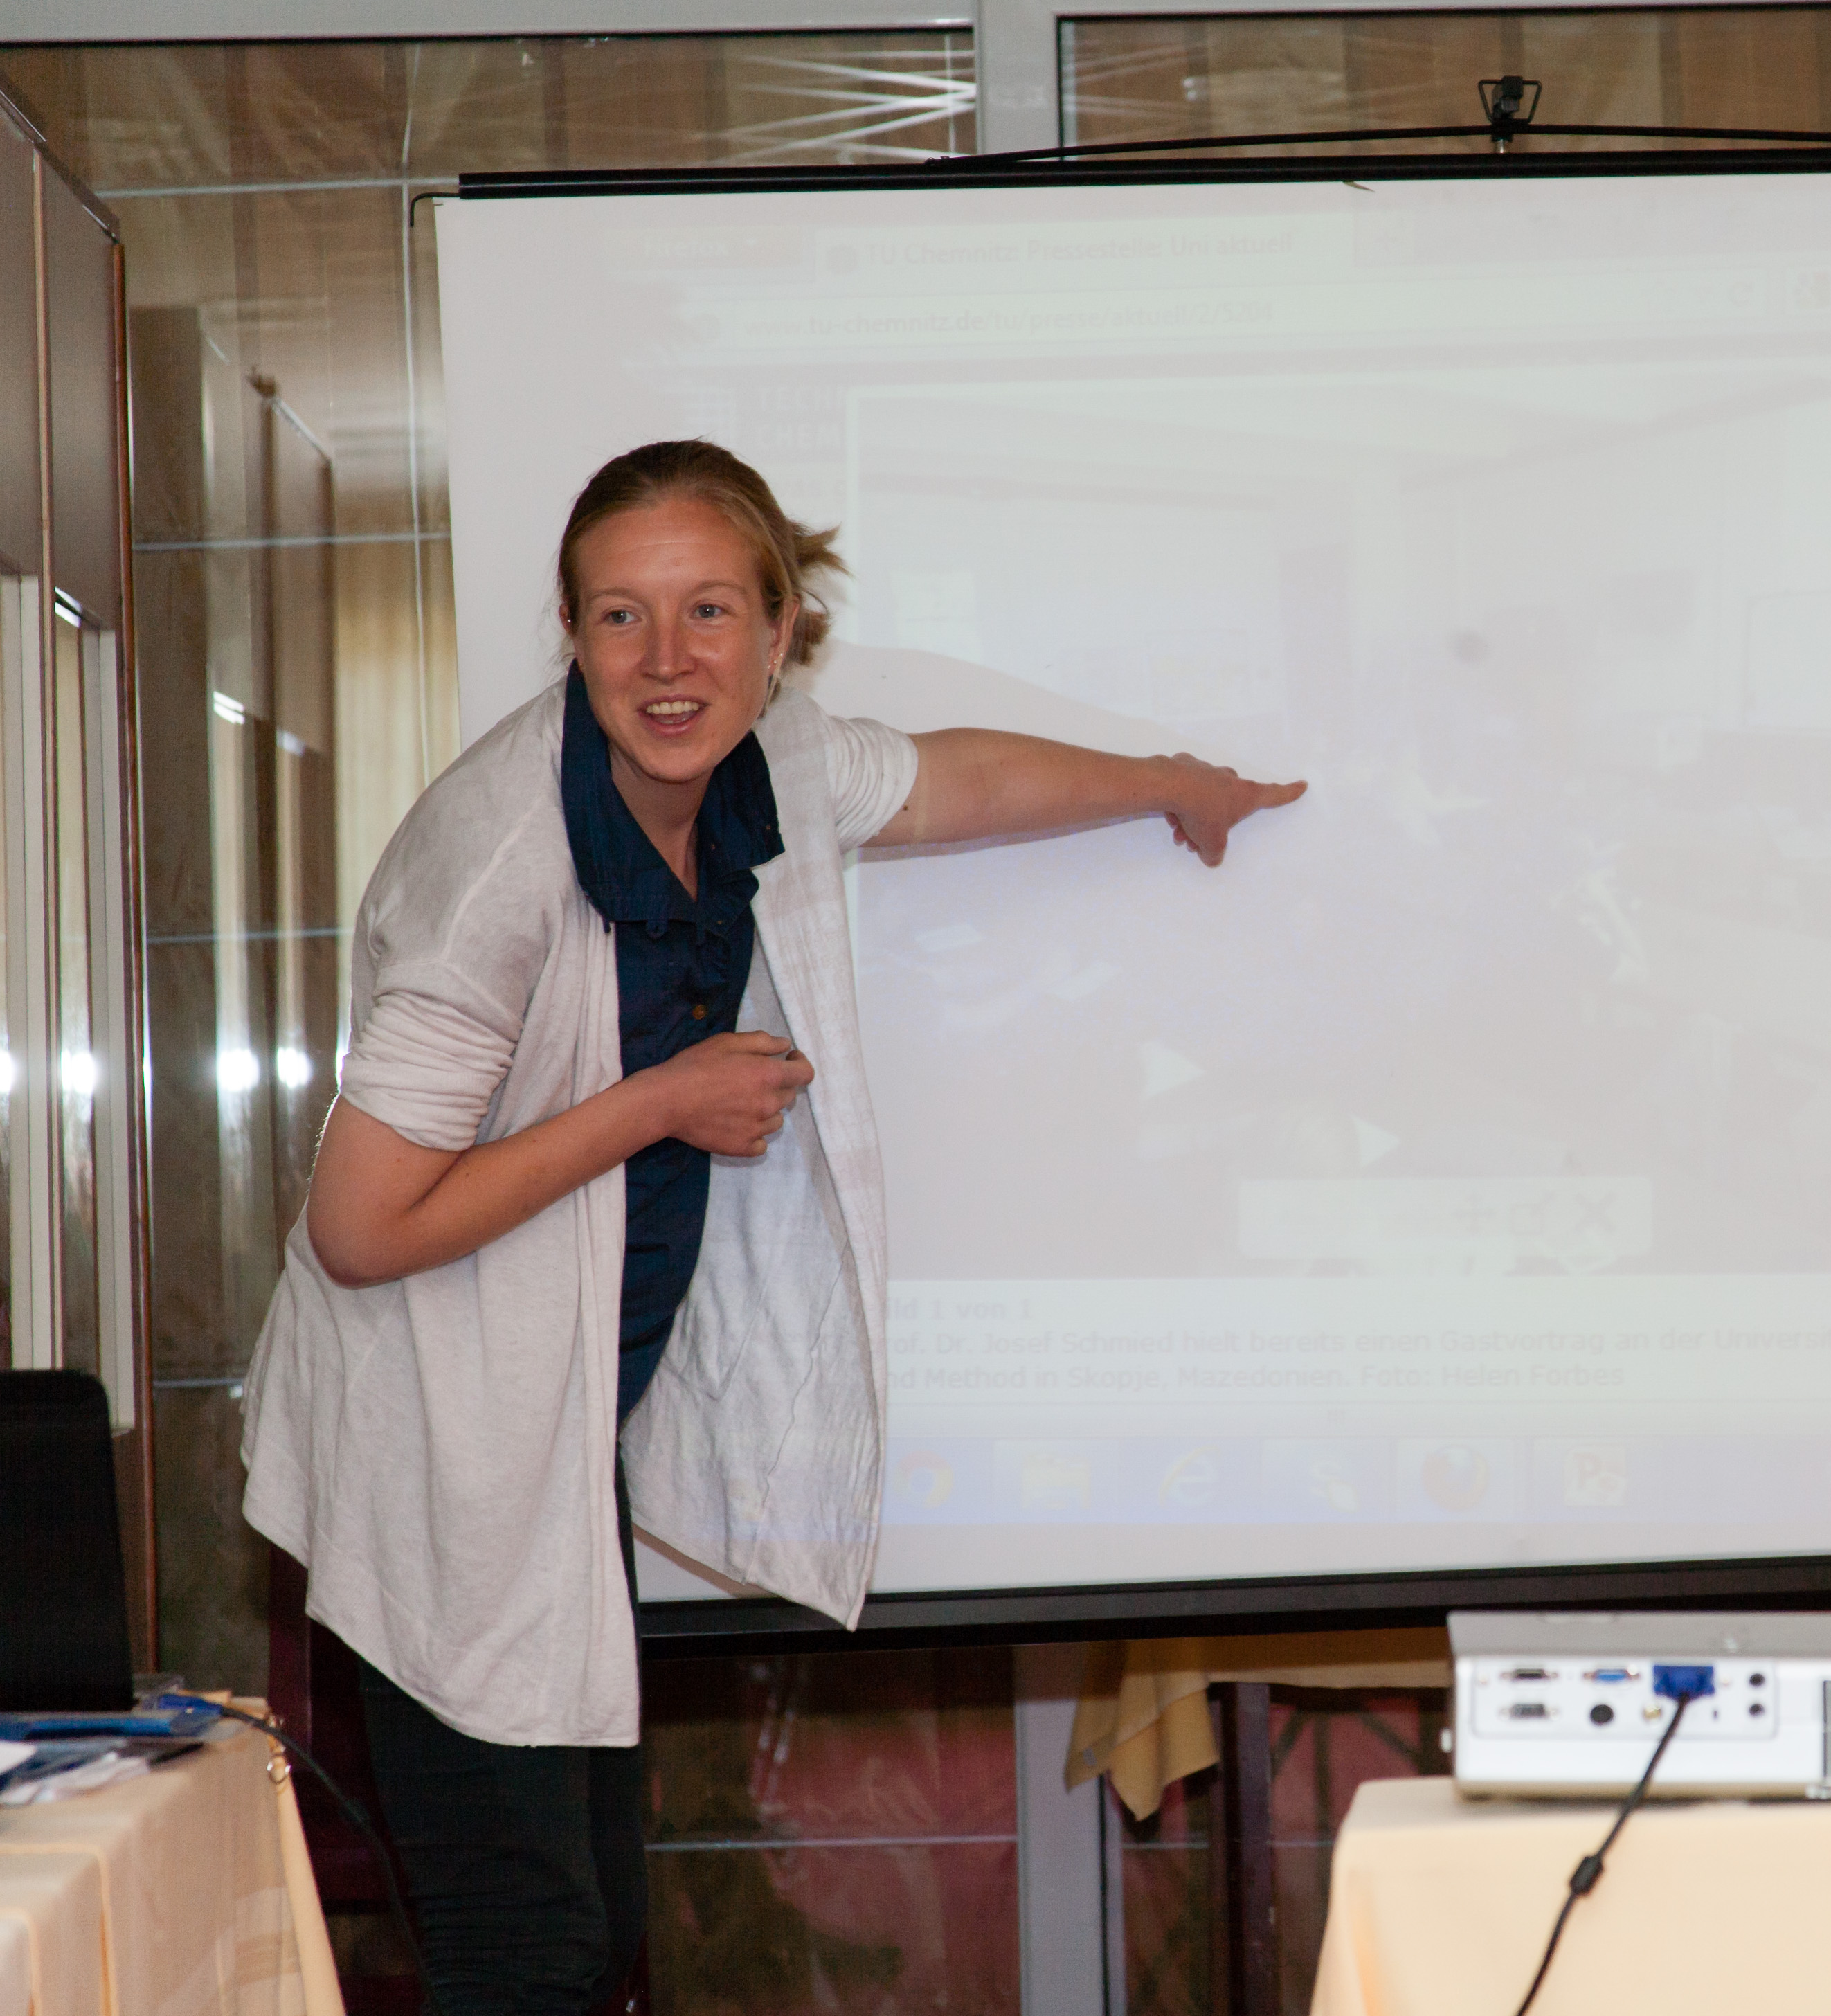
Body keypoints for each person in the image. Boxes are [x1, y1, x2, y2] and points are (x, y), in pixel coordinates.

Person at [237, 439, 1304, 2015]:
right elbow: (361, 1224)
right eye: (621, 616)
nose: (667, 661)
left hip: (550, 1439)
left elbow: (951, 782)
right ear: (570, 632)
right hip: (430, 1446)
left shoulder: (766, 766)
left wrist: (1167, 785)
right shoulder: (497, 869)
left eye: (710, 611)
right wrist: (660, 1102)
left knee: (596, 1929)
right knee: (527, 1948)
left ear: (785, 623)